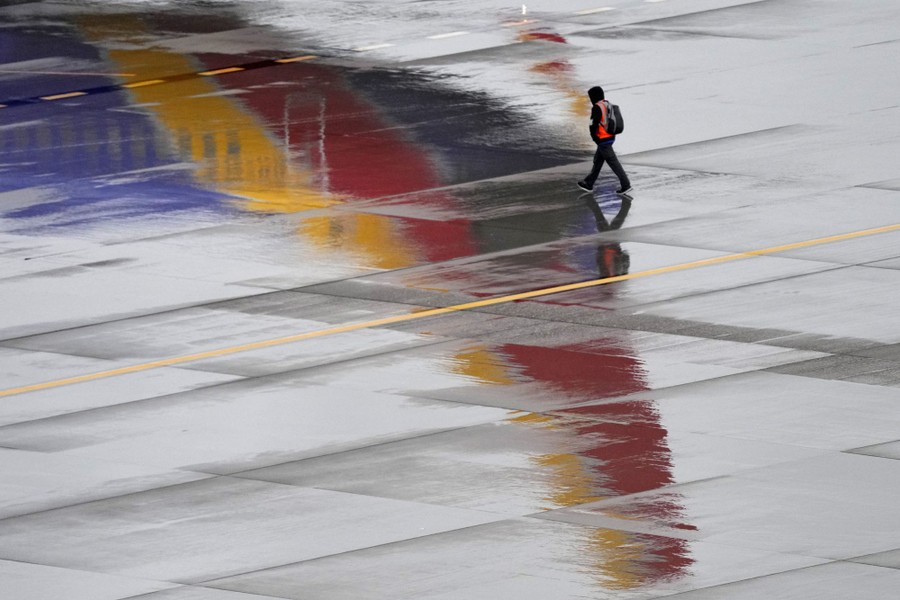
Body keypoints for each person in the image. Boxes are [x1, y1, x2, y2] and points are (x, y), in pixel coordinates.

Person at [577, 86, 632, 196]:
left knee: (614, 163)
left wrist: (595, 138)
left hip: (603, 140)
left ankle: (626, 185)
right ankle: (588, 183)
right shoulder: (607, 104)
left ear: (593, 97)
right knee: (597, 161)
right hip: (610, 137)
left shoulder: (597, 107)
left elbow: (593, 125)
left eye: (590, 97)